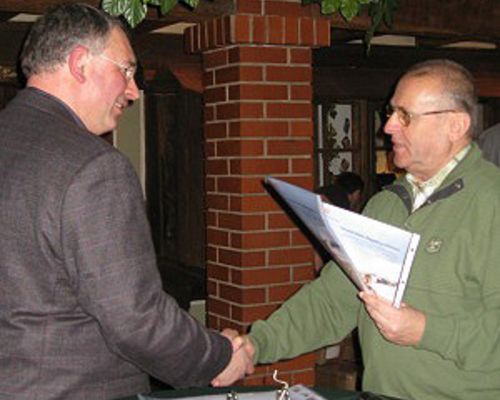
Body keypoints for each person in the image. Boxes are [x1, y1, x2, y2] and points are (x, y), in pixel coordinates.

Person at [0, 4, 251, 399]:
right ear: (80, 63)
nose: (134, 91)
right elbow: (136, 319)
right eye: (127, 70)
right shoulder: (93, 167)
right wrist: (219, 357)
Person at [227, 59, 500, 400]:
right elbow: (332, 301)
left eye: (405, 115)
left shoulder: (492, 204)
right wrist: (255, 345)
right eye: (390, 112)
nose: (387, 127)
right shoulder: (385, 205)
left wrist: (425, 331)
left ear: (455, 125)